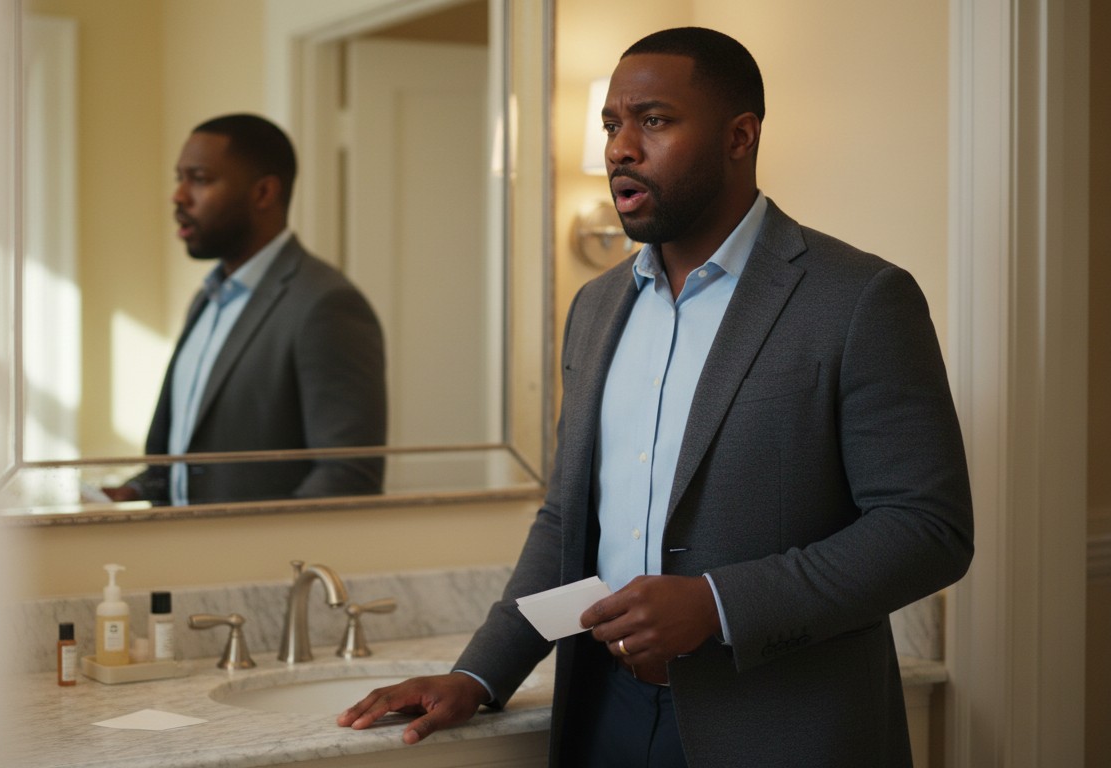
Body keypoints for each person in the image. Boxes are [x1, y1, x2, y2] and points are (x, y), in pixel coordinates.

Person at [337, 27, 973, 766]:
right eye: (612, 124)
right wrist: (479, 672)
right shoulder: (596, 307)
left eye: (654, 120)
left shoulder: (858, 299)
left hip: (782, 727)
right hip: (601, 717)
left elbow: (926, 530)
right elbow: (566, 520)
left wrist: (716, 604)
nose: (619, 149)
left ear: (740, 136)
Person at [109, 114, 387, 506]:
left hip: (264, 565)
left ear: (263, 193)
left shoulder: (326, 305)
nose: (179, 196)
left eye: (200, 179)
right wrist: (135, 490)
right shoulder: (206, 298)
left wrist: (260, 555)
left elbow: (348, 476)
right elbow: (187, 458)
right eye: (179, 178)